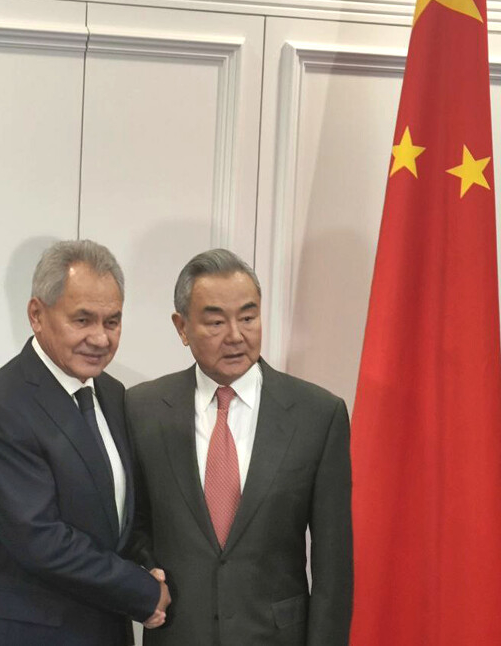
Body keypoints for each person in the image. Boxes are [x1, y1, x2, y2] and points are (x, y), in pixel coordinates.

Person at [0, 240, 170, 646]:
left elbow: (115, 517)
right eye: (82, 320)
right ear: (37, 315)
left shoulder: (111, 394)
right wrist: (143, 591)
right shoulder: (1, 405)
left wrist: (149, 567)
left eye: (112, 322)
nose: (100, 338)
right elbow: (39, 539)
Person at [126, 248, 352, 645]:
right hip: (179, 634)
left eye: (248, 317)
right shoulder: (142, 409)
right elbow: (133, 524)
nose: (235, 335)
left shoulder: (318, 415)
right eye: (216, 322)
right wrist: (145, 571)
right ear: (182, 327)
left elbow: (333, 568)